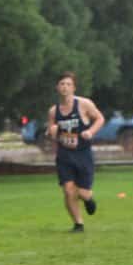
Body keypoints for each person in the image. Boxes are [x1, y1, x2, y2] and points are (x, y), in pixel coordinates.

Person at [46, 72, 105, 232]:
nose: (65, 87)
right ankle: (78, 224)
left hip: (83, 154)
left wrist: (91, 132)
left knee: (83, 193)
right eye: (62, 84)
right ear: (57, 87)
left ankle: (88, 199)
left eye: (68, 84)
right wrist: (52, 131)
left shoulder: (84, 104)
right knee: (68, 190)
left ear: (74, 87)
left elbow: (100, 118)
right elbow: (51, 133)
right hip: (64, 155)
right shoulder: (53, 111)